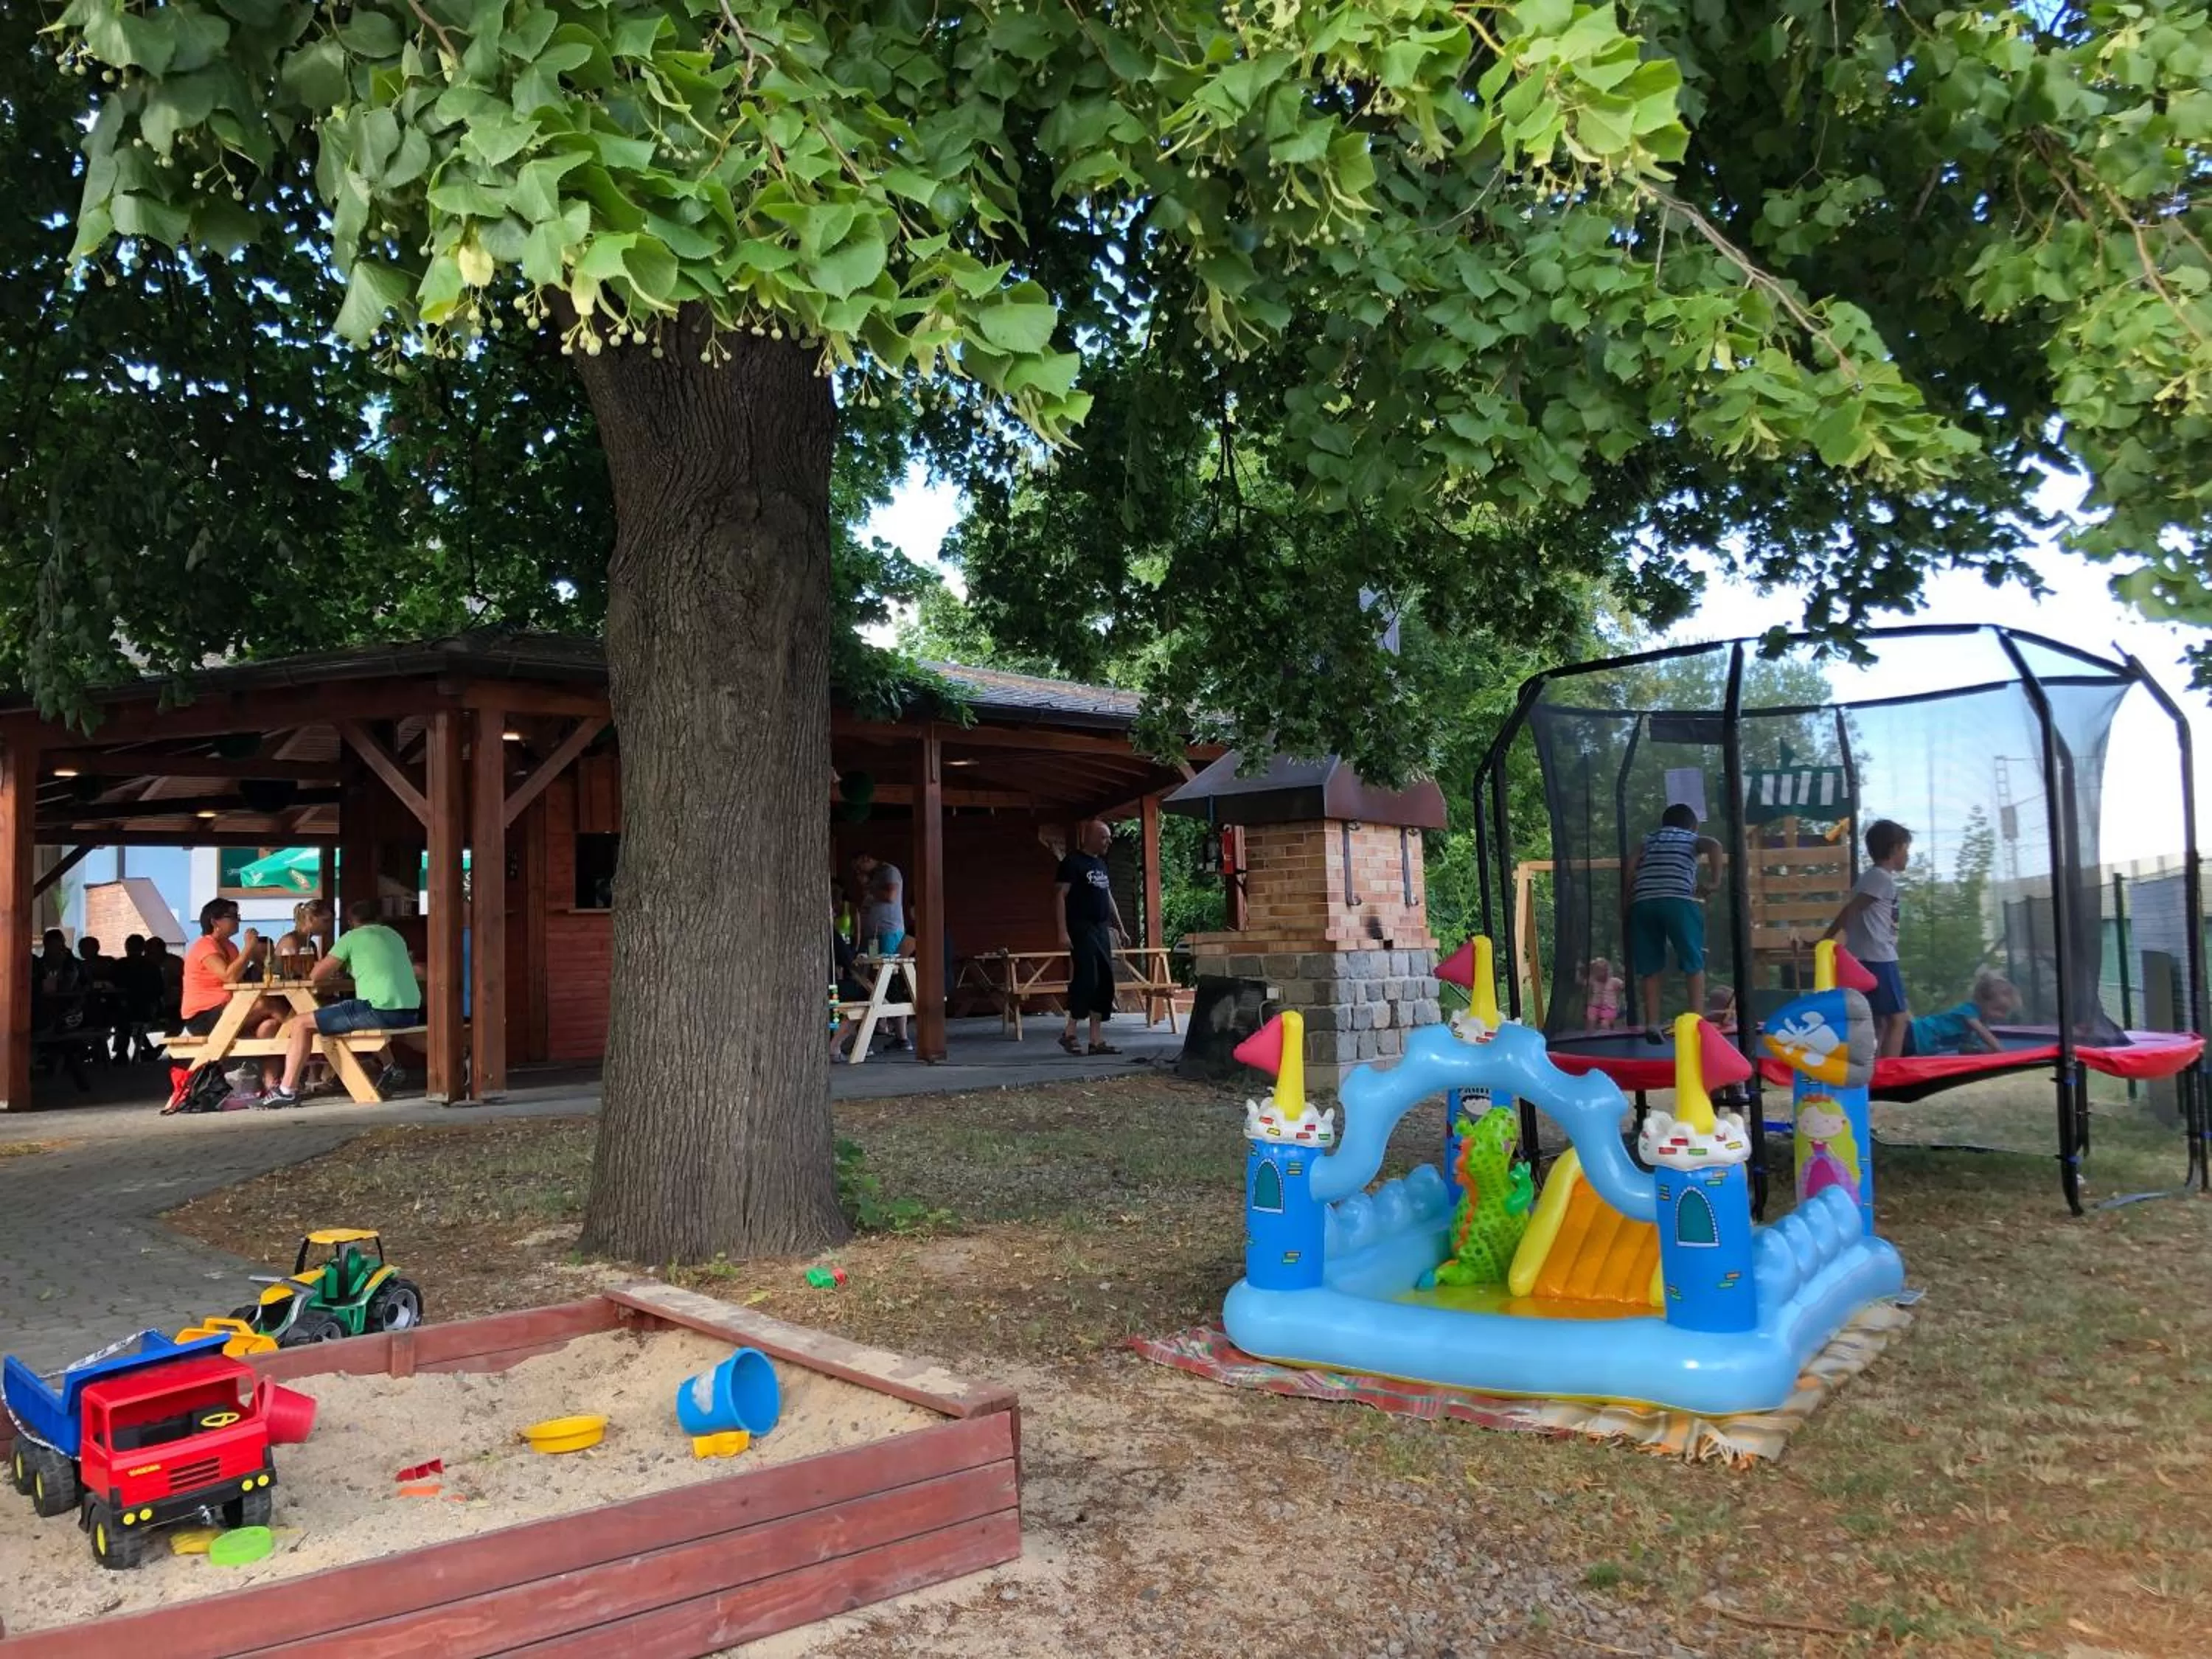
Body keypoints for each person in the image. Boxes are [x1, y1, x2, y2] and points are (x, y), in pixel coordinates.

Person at [260, 898, 423, 1108]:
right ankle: (390, 1067)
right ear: (378, 918)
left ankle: (287, 1090)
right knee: (347, 1012)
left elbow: (316, 975)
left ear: (351, 922)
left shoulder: (351, 938)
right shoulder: (394, 936)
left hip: (378, 1010)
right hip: (409, 1011)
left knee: (301, 1023)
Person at [1622, 804, 1724, 1042]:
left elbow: (1630, 866)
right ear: (1693, 825)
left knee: (1650, 967)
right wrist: (1715, 882)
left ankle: (1652, 1024)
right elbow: (1715, 846)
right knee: (1693, 960)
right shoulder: (1690, 838)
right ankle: (1697, 1019)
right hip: (1678, 901)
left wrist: (1627, 899)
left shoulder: (1648, 840)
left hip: (1643, 903)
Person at [1820, 818, 1913, 1057]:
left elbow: (1852, 910)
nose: (1907, 855)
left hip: (1868, 957)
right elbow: (1851, 910)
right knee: (1898, 1019)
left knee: (1879, 1022)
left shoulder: (1872, 878)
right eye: (1905, 849)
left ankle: (1874, 1072)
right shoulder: (1881, 878)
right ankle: (1891, 1073)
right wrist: (1825, 938)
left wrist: (1826, 939)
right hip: (1878, 958)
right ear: (1894, 849)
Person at [1054, 820, 1127, 1056]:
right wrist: (1062, 931)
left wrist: (1121, 927)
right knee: (1088, 977)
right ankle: (1069, 1033)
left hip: (1101, 929)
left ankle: (1096, 1041)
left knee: (1105, 981)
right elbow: (1059, 897)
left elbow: (1107, 895)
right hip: (1081, 928)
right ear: (1091, 838)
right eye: (1105, 837)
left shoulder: (1101, 864)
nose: (1109, 841)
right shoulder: (1072, 863)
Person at [850, 852, 910, 1051]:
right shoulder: (875, 878)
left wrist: (869, 887)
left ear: (867, 859)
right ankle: (880, 1026)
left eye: (860, 866)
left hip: (889, 931)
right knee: (869, 978)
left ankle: (901, 1036)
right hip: (874, 934)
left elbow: (891, 895)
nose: (858, 872)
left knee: (889, 977)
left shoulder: (888, 872)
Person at [1905, 970, 2019, 1057]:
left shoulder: (1981, 1022)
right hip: (1916, 1033)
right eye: (1998, 1010)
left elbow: (1969, 1048)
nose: (2001, 1016)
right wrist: (2002, 1051)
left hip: (1921, 1044)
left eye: (2005, 1012)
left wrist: (1983, 1051)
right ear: (1982, 1000)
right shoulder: (1969, 1011)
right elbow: (1984, 1034)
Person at [1580, 957, 1625, 1031]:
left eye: (1603, 970)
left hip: (1609, 1007)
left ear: (1607, 971)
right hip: (1595, 1006)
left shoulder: (1614, 981)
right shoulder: (1593, 980)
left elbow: (1623, 986)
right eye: (1598, 971)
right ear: (1594, 972)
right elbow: (1583, 984)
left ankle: (1606, 1038)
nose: (1601, 973)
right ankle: (1590, 1037)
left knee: (1604, 1024)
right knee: (1591, 1020)